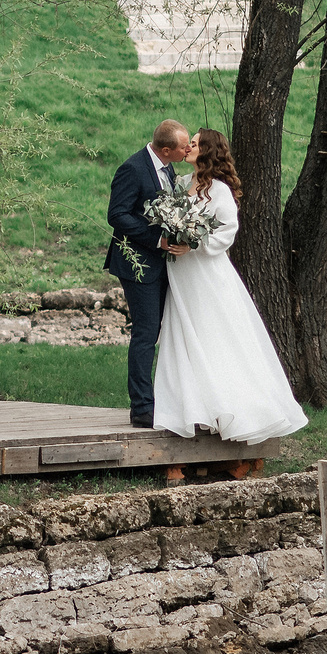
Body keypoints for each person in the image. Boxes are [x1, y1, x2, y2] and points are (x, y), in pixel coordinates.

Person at [152, 129, 309, 443]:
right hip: (181, 273)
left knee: (213, 335)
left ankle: (230, 409)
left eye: (194, 143)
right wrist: (172, 234)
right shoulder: (180, 184)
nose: (188, 147)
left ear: (208, 150)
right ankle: (188, 409)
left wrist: (193, 244)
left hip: (206, 273)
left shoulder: (219, 190)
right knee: (184, 333)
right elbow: (168, 219)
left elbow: (227, 231)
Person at [106, 119, 196, 428]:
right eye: (184, 146)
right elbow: (116, 215)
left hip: (163, 263)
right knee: (145, 333)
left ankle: (165, 401)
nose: (188, 149)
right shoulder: (133, 169)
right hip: (138, 264)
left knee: (160, 330)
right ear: (167, 149)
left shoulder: (169, 168)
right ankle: (142, 409)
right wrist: (158, 239)